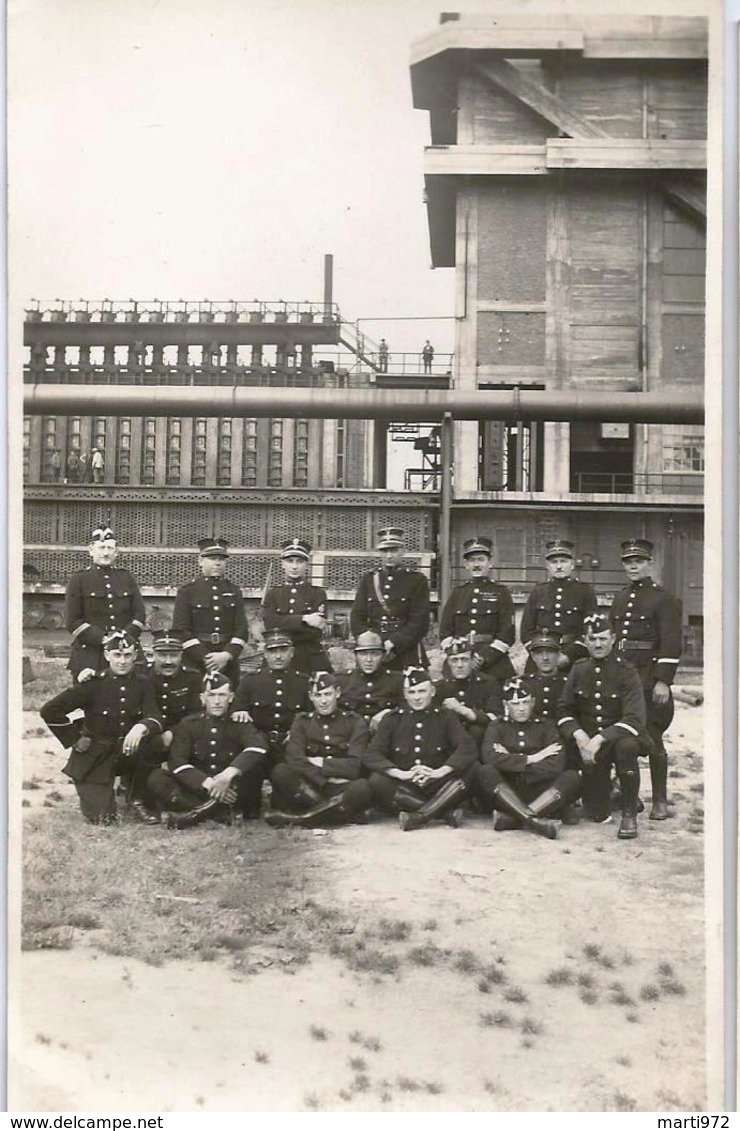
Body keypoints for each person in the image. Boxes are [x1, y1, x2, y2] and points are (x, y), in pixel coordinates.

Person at [40, 630, 163, 824]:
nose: (122, 661)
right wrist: (75, 739)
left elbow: (154, 715)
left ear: (135, 655)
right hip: (97, 755)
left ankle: (135, 794)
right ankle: (101, 790)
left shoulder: (143, 683)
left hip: (128, 750)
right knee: (103, 818)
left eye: (127, 655)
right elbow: (50, 710)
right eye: (117, 655)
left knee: (154, 742)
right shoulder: (92, 684)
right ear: (107, 655)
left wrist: (142, 726)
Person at [609, 538, 682, 822]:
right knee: (622, 738)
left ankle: (660, 800)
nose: (633, 566)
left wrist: (663, 680)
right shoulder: (620, 596)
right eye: (628, 562)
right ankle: (629, 794)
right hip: (624, 678)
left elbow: (672, 643)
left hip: (650, 679)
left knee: (653, 738)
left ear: (649, 563)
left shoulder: (663, 598)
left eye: (638, 561)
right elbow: (616, 641)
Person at [557, 613, 647, 840]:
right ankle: (617, 792)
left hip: (616, 739)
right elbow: (564, 709)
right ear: (585, 641)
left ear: (613, 639)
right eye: (592, 638)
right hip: (588, 744)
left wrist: (599, 739)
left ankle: (628, 814)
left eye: (603, 639)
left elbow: (634, 719)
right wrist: (579, 735)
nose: (598, 644)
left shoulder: (626, 670)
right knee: (597, 813)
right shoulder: (579, 669)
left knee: (626, 747)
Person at [148, 671, 268, 829]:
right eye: (211, 695)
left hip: (232, 788)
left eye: (222, 695)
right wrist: (209, 784)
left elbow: (258, 747)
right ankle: (218, 813)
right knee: (157, 778)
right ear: (202, 699)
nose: (217, 701)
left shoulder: (240, 721)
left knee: (254, 769)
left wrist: (227, 775)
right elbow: (177, 761)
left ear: (231, 697)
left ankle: (194, 815)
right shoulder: (189, 723)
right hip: (200, 788)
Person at [365, 666, 478, 831]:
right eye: (412, 692)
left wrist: (439, 772)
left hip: (438, 784)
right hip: (406, 785)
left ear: (432, 692)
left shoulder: (445, 716)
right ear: (405, 694)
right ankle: (443, 813)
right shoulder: (392, 719)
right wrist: (402, 774)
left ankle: (419, 817)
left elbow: (467, 747)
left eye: (422, 691)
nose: (417, 698)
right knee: (376, 779)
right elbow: (371, 754)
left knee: (474, 768)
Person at [264, 671, 372, 828]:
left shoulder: (354, 722)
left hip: (340, 787)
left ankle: (303, 818)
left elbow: (355, 767)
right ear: (310, 696)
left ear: (338, 693)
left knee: (362, 787)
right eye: (318, 695)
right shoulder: (302, 721)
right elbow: (295, 759)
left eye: (328, 694)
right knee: (281, 771)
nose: (323, 701)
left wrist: (321, 762)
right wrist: (324, 779)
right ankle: (336, 813)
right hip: (309, 786)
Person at [476, 677, 580, 839]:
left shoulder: (546, 725)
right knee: (485, 771)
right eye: (515, 704)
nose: (522, 709)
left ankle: (513, 819)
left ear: (532, 703)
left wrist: (510, 760)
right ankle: (535, 822)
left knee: (572, 776)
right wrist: (533, 758)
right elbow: (489, 758)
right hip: (508, 792)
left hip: (540, 791)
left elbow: (556, 765)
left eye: (525, 702)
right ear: (506, 705)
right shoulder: (497, 726)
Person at [64, 525, 146, 681]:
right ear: (90, 550)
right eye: (101, 548)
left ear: (116, 552)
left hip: (125, 650)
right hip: (91, 653)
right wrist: (104, 639)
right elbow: (73, 621)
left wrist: (124, 638)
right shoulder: (79, 579)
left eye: (110, 548)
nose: (106, 553)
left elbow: (139, 614)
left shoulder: (127, 577)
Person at [172, 536, 248, 687]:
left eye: (221, 559)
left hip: (227, 662)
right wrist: (206, 657)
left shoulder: (233, 591)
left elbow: (241, 629)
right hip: (196, 662)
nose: (218, 563)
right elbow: (181, 630)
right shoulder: (187, 591)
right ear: (200, 561)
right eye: (212, 558)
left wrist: (227, 655)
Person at [350, 528, 430, 671]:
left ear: (403, 551)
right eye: (385, 551)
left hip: (406, 651)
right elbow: (357, 617)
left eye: (394, 550)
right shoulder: (368, 580)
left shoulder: (417, 581)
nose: (389, 555)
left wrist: (393, 643)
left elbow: (419, 622)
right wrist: (371, 643)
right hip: (374, 651)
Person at [231, 629, 311, 769]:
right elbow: (237, 711)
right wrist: (240, 712)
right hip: (258, 745)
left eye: (283, 651)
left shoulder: (304, 682)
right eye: (273, 652)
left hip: (290, 745)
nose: (278, 656)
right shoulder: (250, 681)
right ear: (266, 654)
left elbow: (311, 716)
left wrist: (298, 733)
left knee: (286, 779)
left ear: (291, 653)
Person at [439, 536, 515, 682]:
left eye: (481, 559)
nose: (476, 565)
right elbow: (445, 631)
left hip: (493, 661)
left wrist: (483, 658)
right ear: (466, 564)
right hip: (460, 658)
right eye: (472, 560)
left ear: (490, 563)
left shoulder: (501, 592)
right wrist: (459, 655)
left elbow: (507, 633)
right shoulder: (458, 592)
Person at [520, 539, 598, 672]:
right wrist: (538, 653)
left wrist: (569, 655)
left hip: (574, 659)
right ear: (547, 566)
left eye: (563, 561)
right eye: (554, 562)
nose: (559, 566)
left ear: (572, 564)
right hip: (541, 657)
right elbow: (526, 631)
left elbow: (590, 630)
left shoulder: (585, 591)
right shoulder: (538, 591)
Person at [261, 538, 329, 675]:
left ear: (306, 565)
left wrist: (283, 624)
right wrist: (304, 619)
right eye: (290, 561)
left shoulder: (317, 594)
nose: (294, 566)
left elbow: (314, 632)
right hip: (278, 655)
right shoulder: (273, 594)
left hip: (309, 657)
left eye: (300, 561)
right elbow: (270, 624)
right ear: (282, 564)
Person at [433, 637, 503, 750]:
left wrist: (463, 710)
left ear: (472, 660)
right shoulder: (440, 688)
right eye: (454, 660)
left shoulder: (489, 683)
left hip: (480, 745)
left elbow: (496, 719)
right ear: (448, 662)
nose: (459, 665)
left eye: (464, 659)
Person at [338, 631, 405, 732]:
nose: (368, 659)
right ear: (355, 655)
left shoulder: (397, 680)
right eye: (363, 654)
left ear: (383, 656)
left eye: (375, 654)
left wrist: (389, 713)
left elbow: (409, 706)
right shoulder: (342, 679)